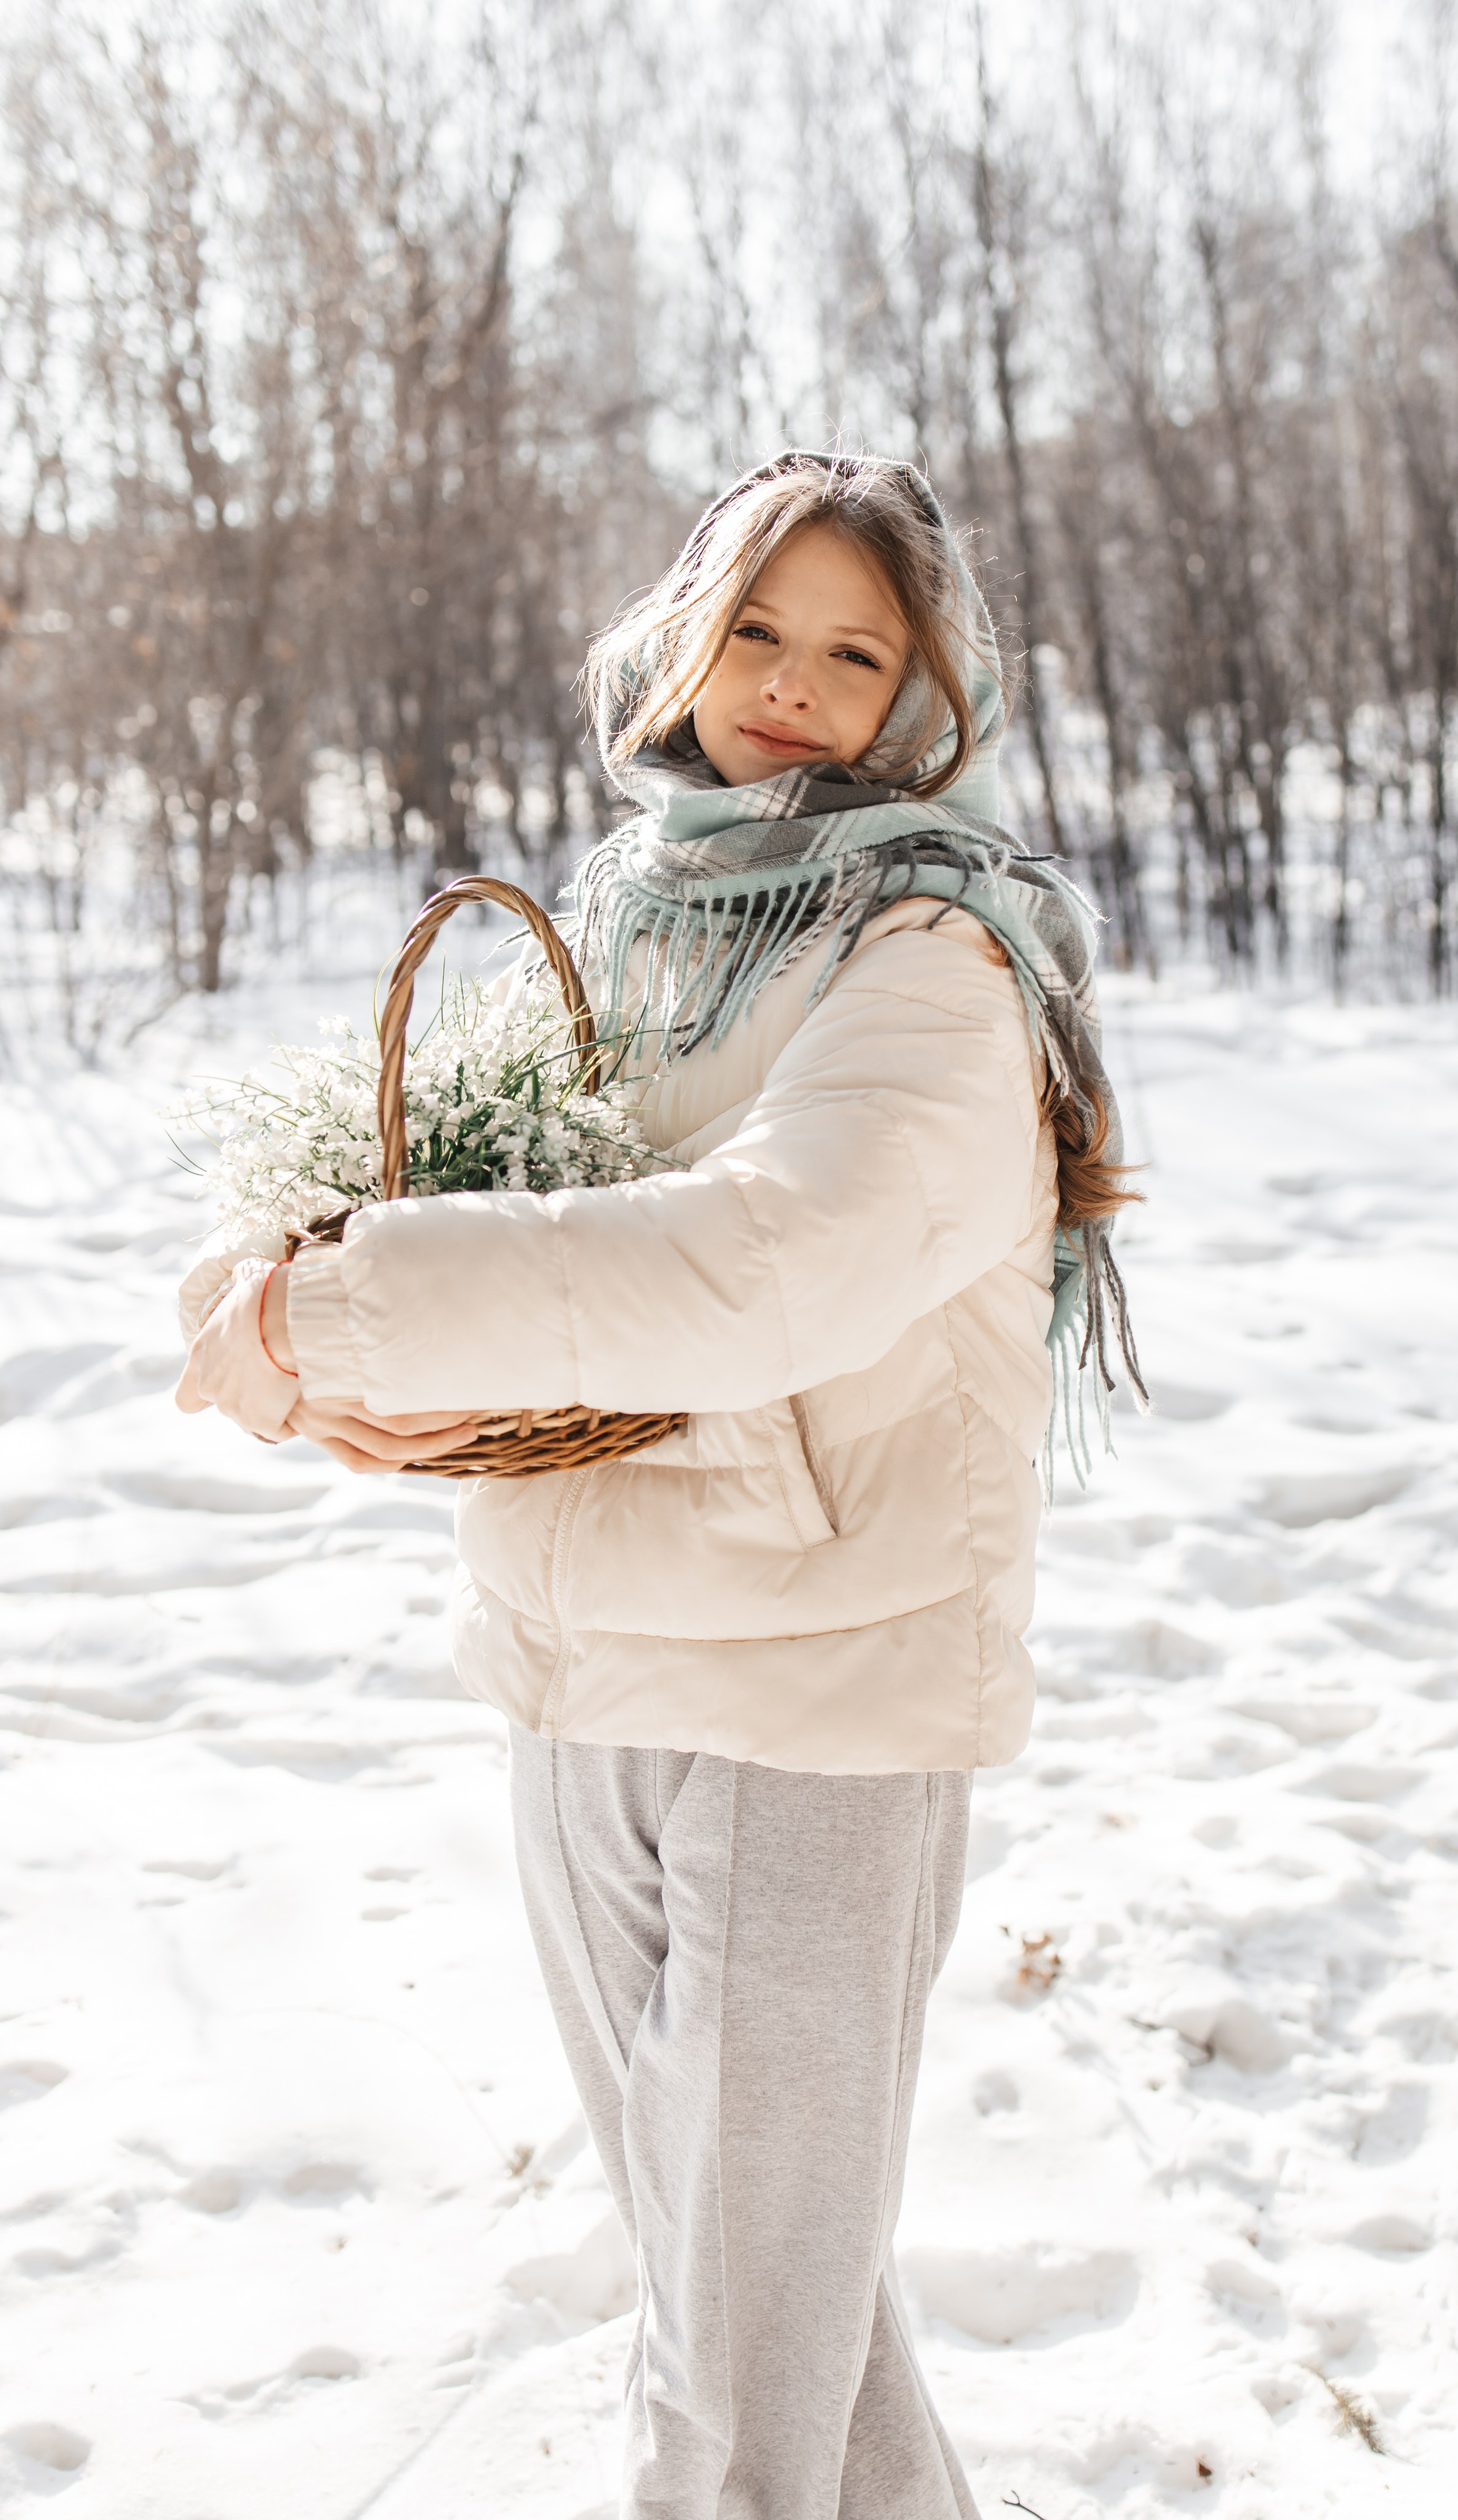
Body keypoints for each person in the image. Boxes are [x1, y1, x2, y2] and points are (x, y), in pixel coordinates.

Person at [176, 450, 1140, 2519]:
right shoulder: (636, 922)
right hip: (584, 1662)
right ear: (683, 640)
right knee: (760, 2332)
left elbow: (760, 1267)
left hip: (812, 1694)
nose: (791, 685)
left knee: (738, 2380)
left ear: (927, 697)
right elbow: (498, 1218)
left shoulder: (934, 958)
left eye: (853, 650)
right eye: (756, 630)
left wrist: (340, 1318)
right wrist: (279, 1273)